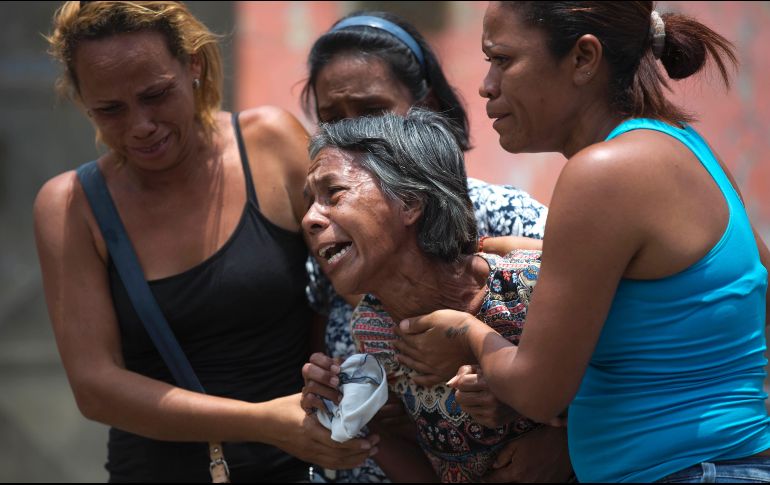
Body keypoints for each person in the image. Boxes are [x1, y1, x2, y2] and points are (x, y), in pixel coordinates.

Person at [394, 2, 770, 483]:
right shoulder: (684, 146)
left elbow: (536, 391)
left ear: (583, 59)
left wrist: (465, 333)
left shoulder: (602, 174)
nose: (487, 85)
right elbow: (743, 290)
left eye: (503, 60)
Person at [34, 1, 376, 482]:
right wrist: (263, 423)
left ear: (192, 65)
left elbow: (365, 277)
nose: (141, 125)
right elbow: (96, 388)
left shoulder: (270, 144)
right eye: (110, 110)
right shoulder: (71, 205)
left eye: (156, 95)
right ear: (83, 101)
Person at [298, 11, 565, 483]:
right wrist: (353, 416)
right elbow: (435, 457)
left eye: (372, 112)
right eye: (332, 118)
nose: (309, 219)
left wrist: (553, 424)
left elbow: (642, 369)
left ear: (411, 202)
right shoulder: (374, 328)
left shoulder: (527, 279)